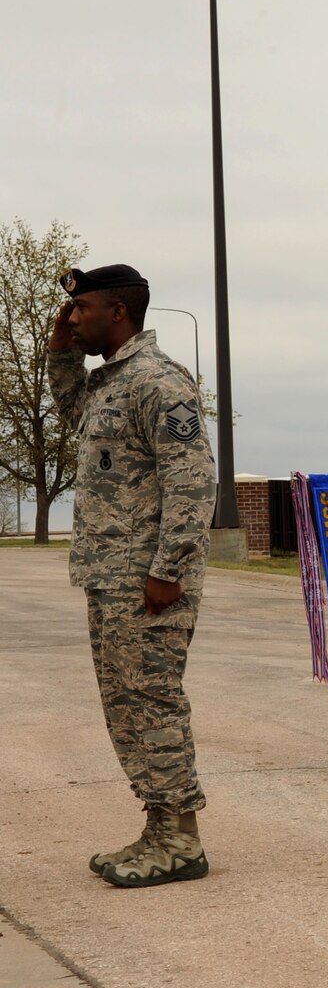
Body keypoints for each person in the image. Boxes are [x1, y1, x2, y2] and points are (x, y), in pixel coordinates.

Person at [47, 264, 217, 888]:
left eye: (80, 309)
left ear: (117, 311)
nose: (72, 318)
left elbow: (194, 483)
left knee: (152, 700)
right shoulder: (106, 384)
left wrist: (169, 571)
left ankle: (180, 840)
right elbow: (69, 408)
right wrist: (61, 348)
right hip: (109, 576)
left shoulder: (158, 381)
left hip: (148, 580)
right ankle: (159, 826)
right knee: (124, 706)